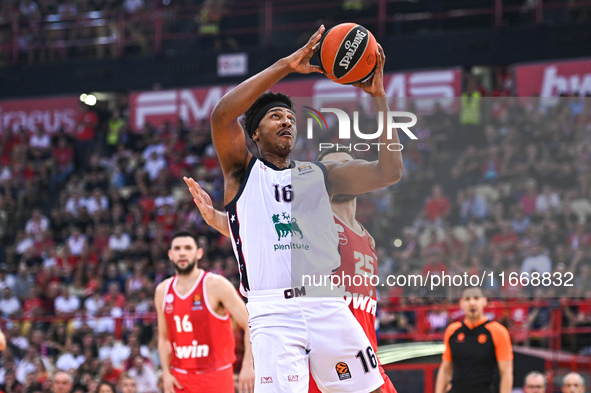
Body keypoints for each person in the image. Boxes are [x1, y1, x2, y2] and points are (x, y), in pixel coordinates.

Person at [184, 25, 402, 392]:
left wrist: (379, 96)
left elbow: (389, 171)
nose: (286, 120)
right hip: (273, 314)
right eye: (275, 116)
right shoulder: (242, 173)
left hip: (326, 303)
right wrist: (287, 65)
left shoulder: (319, 175)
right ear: (254, 134)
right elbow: (222, 116)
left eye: (291, 117)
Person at [185, 146, 398, 393]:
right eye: (332, 169)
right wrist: (215, 218)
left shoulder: (366, 236)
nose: (341, 173)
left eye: (346, 166)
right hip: (321, 346)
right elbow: (260, 233)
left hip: (361, 342)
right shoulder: (311, 217)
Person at [154, 231, 254, 393]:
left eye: (188, 248)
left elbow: (251, 324)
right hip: (180, 378)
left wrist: (248, 365)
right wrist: (165, 372)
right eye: (177, 249)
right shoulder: (162, 291)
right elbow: (164, 338)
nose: (182, 253)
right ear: (170, 255)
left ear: (199, 253)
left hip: (216, 376)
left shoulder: (216, 285)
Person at [434, 287, 513, 393]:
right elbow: (445, 369)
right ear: (461, 303)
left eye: (476, 298)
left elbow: (506, 372)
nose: (472, 303)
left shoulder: (498, 331)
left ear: (484, 301)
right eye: (467, 299)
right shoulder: (452, 330)